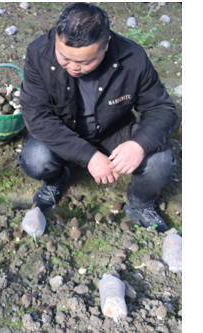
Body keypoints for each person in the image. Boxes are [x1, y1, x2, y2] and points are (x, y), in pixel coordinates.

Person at [17, 2, 177, 232]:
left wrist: (138, 145)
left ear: (106, 45)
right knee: (35, 159)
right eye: (64, 57)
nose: (72, 67)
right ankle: (56, 180)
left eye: (84, 62)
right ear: (57, 38)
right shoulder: (38, 53)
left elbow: (161, 108)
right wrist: (89, 156)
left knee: (159, 162)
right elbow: (37, 116)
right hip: (63, 131)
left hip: (114, 131)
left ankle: (139, 204)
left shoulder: (132, 57)